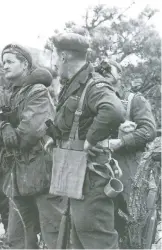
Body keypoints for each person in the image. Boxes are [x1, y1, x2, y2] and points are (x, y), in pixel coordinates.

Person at [50, 28, 126, 249]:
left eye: (56, 57)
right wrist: (52, 138)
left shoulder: (93, 84)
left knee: (97, 239)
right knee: (80, 238)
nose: (55, 64)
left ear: (64, 56)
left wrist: (90, 141)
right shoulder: (75, 86)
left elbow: (114, 110)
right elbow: (71, 123)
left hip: (91, 174)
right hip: (76, 172)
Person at [0, 44, 64, 249]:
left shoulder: (37, 91)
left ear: (24, 64)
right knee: (18, 238)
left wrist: (5, 131)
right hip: (16, 176)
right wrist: (2, 128)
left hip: (42, 173)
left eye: (10, 61)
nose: (4, 66)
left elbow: (29, 133)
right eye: (3, 62)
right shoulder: (8, 95)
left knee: (54, 235)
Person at [99, 59, 157, 239]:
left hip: (130, 176)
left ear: (120, 74)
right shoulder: (96, 102)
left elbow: (149, 131)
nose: (104, 71)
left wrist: (121, 141)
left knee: (132, 229)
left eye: (109, 69)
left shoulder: (134, 100)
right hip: (100, 174)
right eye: (101, 70)